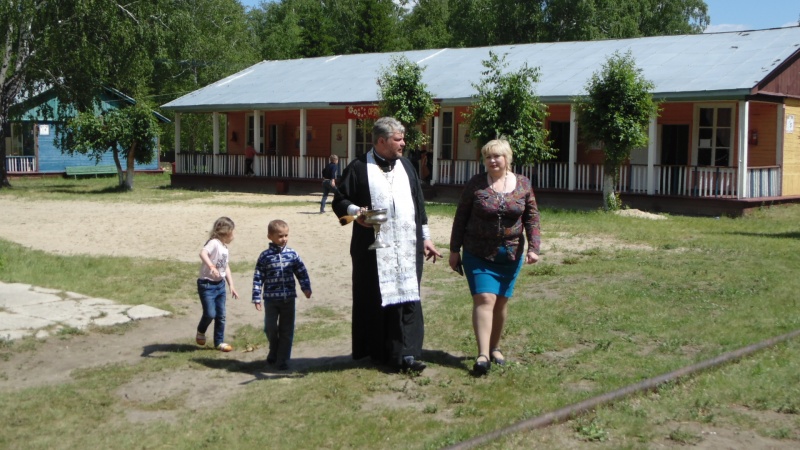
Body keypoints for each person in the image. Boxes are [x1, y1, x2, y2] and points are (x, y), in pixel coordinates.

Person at [332, 117, 442, 372]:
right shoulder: (359, 167)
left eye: (403, 138)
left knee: (407, 296)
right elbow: (339, 200)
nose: (403, 143)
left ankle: (408, 354)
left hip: (407, 245)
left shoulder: (407, 166)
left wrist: (426, 237)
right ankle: (378, 352)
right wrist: (355, 212)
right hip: (372, 247)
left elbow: (419, 204)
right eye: (398, 139)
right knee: (376, 296)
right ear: (381, 141)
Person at [448, 139, 540, 375]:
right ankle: (482, 355)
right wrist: (453, 250)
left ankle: (495, 347)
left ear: (507, 158)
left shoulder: (522, 184)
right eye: (488, 156)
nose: (492, 160)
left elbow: (532, 217)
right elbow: (461, 217)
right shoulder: (476, 184)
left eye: (497, 156)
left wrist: (533, 248)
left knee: (500, 302)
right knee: (485, 299)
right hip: (477, 253)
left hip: (510, 254)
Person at [252, 219, 312, 371]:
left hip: (288, 299)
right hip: (271, 300)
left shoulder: (292, 254)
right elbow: (258, 277)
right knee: (270, 328)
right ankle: (274, 349)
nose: (284, 239)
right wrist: (256, 297)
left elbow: (301, 271)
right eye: (280, 236)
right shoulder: (265, 256)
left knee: (286, 330)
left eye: (286, 235)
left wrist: (305, 287)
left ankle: (282, 359)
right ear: (270, 237)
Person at [196, 217, 239, 352]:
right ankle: (201, 331)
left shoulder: (225, 248)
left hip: (220, 285)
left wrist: (231, 285)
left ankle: (219, 342)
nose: (234, 235)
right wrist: (211, 266)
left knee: (221, 315)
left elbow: (225, 267)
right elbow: (202, 253)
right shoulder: (214, 243)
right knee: (210, 314)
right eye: (232, 232)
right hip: (206, 285)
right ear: (225, 232)